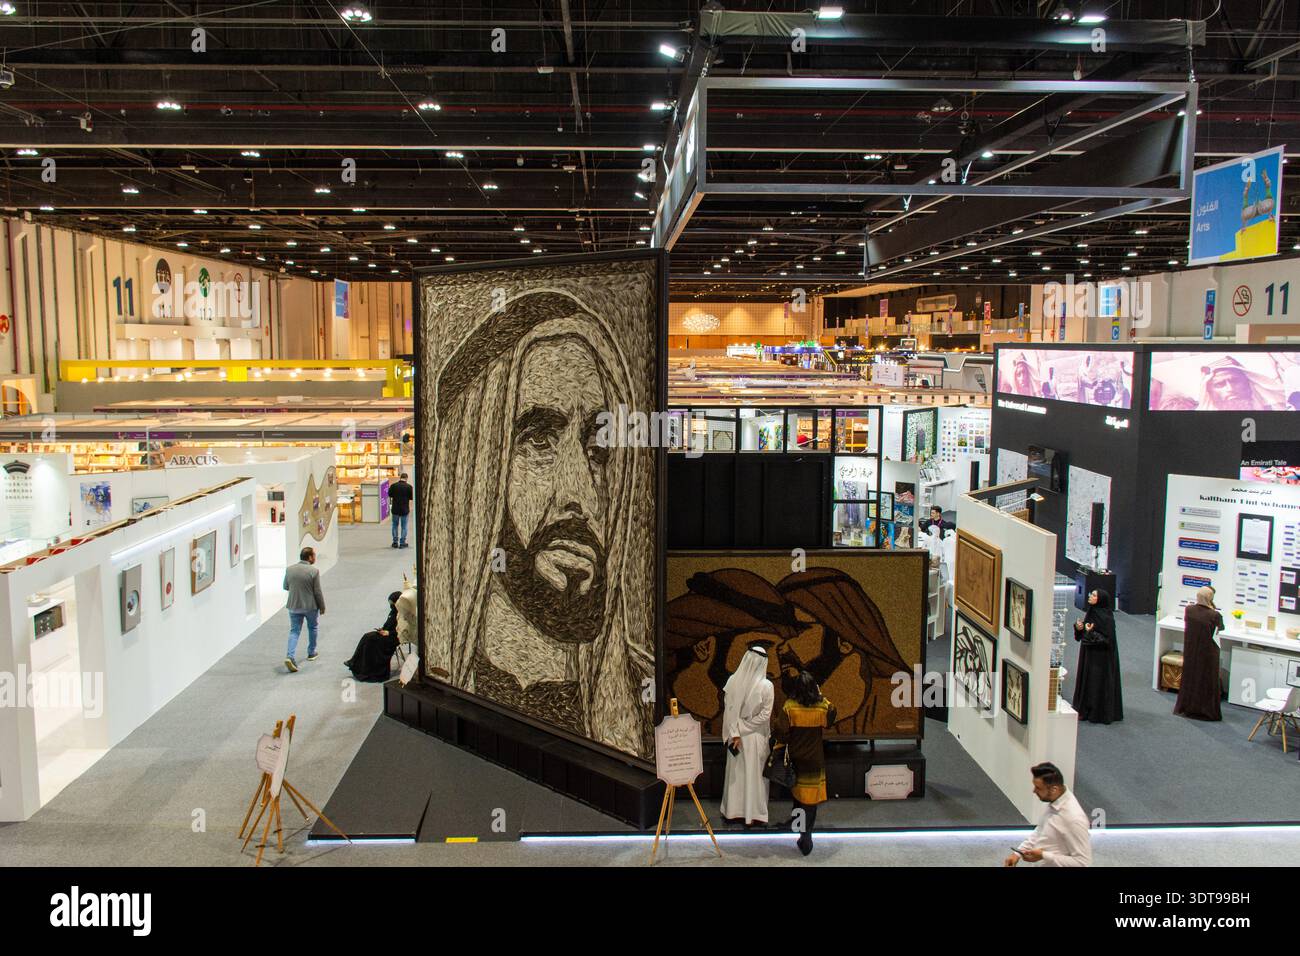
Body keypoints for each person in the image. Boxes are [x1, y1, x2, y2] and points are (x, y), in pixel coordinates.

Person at [421, 288, 655, 758]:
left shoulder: (644, 697)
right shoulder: (442, 692)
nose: (581, 495)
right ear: (475, 471)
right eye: (539, 441)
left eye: (599, 449)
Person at [774, 671, 835, 856]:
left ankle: (802, 833)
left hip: (795, 758)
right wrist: (822, 696)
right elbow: (831, 716)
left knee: (799, 797)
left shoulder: (789, 707)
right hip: (814, 760)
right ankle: (805, 834)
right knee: (810, 802)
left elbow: (781, 732)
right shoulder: (822, 708)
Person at [720, 641, 774, 827]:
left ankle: (733, 811)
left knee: (738, 775)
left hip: (736, 738)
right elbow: (765, 715)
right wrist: (743, 728)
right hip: (754, 737)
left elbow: (728, 712)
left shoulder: (732, 681)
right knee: (753, 776)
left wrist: (735, 731)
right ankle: (753, 814)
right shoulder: (766, 686)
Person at [1003, 762, 1092, 867]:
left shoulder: (1074, 819)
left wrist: (1044, 855)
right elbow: (1041, 831)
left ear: (1054, 789)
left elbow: (1083, 863)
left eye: (1038, 788)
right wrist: (1017, 853)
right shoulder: (1055, 800)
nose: (1034, 791)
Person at [1072, 589, 1123, 724]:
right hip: (1089, 655)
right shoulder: (1092, 612)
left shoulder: (1106, 617)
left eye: (1094, 595)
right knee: (1087, 680)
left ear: (1100, 599)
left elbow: (1107, 640)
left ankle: (1096, 711)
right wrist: (1079, 628)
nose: (1090, 596)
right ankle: (1086, 708)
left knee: (1096, 683)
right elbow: (1084, 634)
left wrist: (1090, 632)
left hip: (1100, 659)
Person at [1175, 586, 1225, 721]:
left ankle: (1188, 706)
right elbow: (1221, 628)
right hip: (1208, 653)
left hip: (1191, 651)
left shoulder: (1189, 610)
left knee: (1191, 677)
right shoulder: (1214, 615)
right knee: (1206, 680)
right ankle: (1206, 710)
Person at [283, 546, 326, 673]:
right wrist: (322, 606)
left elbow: (285, 586)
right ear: (310, 557)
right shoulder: (314, 571)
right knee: (312, 627)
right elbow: (317, 592)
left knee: (294, 631)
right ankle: (311, 652)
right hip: (310, 606)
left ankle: (290, 656)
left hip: (293, 605)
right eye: (314, 555)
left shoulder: (289, 569)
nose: (315, 558)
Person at [345, 591, 402, 683]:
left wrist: (389, 633)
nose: (391, 606)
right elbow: (388, 624)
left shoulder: (401, 614)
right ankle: (355, 662)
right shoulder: (393, 612)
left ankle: (358, 664)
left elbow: (402, 631)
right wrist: (383, 629)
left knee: (370, 639)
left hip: (393, 638)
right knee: (367, 637)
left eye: (392, 603)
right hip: (385, 634)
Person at [388, 472, 414, 549]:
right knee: (404, 526)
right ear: (406, 478)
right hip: (404, 509)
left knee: (394, 525)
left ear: (400, 477)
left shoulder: (393, 486)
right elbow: (412, 497)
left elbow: (390, 494)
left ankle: (395, 542)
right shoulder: (409, 487)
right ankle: (402, 542)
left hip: (395, 509)